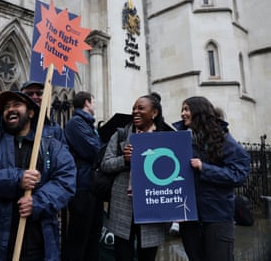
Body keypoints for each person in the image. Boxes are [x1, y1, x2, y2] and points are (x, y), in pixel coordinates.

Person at [0, 91, 76, 260]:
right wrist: (17, 178)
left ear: (31, 113)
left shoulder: (51, 146)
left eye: (16, 105)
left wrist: (38, 202)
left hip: (36, 243)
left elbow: (66, 179)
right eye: (6, 107)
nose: (10, 110)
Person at [173, 96, 250, 261]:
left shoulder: (222, 138)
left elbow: (238, 173)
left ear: (199, 111)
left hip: (217, 216)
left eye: (187, 109)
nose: (183, 113)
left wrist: (204, 168)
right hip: (190, 217)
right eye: (182, 109)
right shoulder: (178, 138)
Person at [100, 92, 169, 261]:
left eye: (141, 108)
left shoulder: (165, 138)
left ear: (154, 113)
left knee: (148, 256)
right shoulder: (121, 135)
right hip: (123, 206)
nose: (135, 112)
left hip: (152, 206)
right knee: (122, 254)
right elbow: (105, 164)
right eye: (134, 108)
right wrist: (124, 160)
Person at [64, 91, 103, 261]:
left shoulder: (88, 125)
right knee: (79, 238)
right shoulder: (75, 123)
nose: (94, 105)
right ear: (87, 102)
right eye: (93, 101)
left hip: (93, 186)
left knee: (93, 237)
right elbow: (94, 151)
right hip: (82, 186)